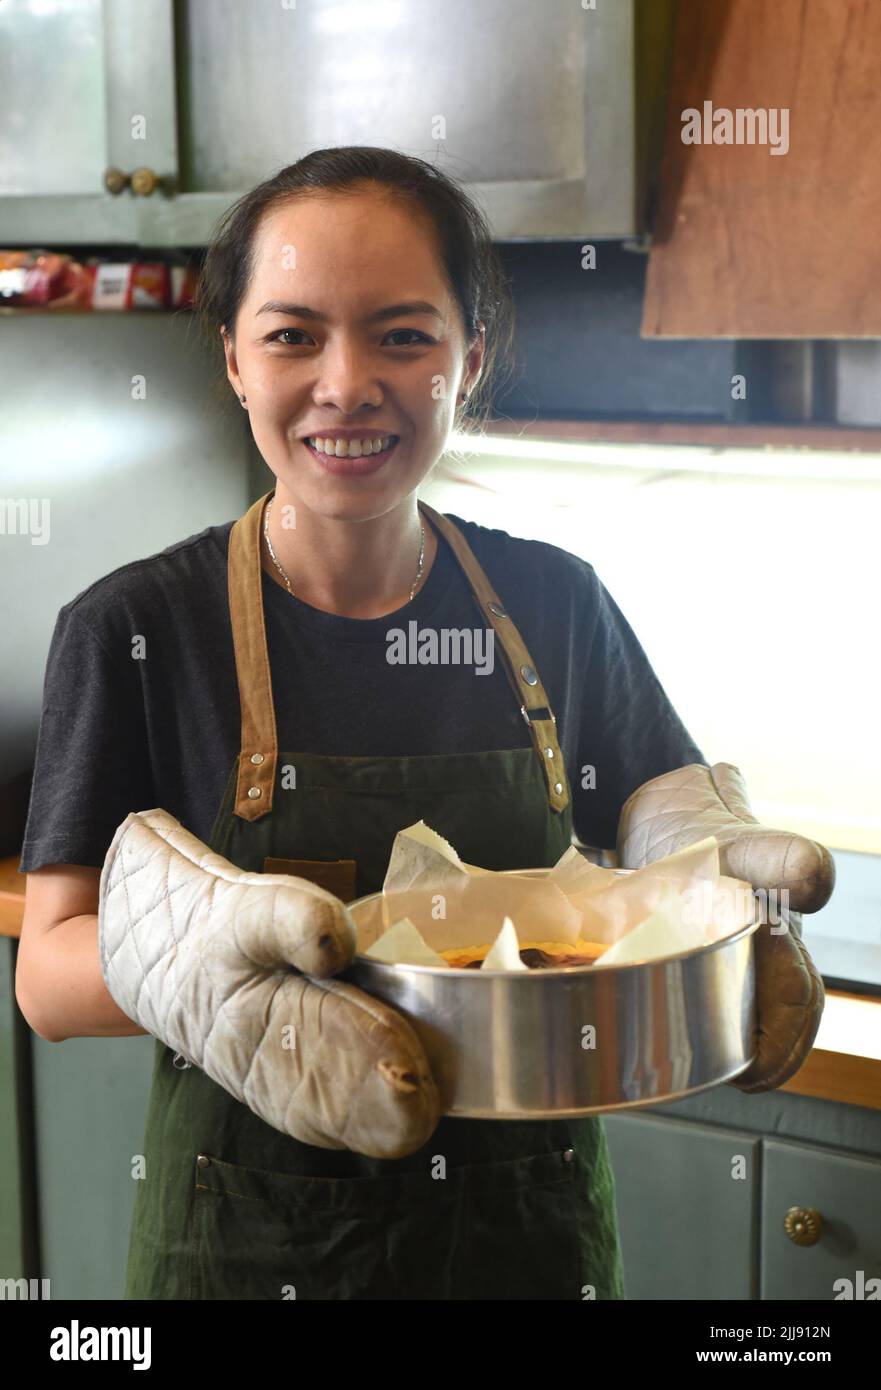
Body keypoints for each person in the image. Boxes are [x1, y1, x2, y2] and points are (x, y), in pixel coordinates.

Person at [15, 147, 828, 1302]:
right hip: (248, 1246)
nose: (347, 383)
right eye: (294, 334)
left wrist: (711, 867)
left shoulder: (556, 602)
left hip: (525, 1245)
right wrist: (208, 971)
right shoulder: (138, 628)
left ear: (468, 360)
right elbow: (47, 974)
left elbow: (652, 822)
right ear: (235, 362)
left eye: (402, 335)